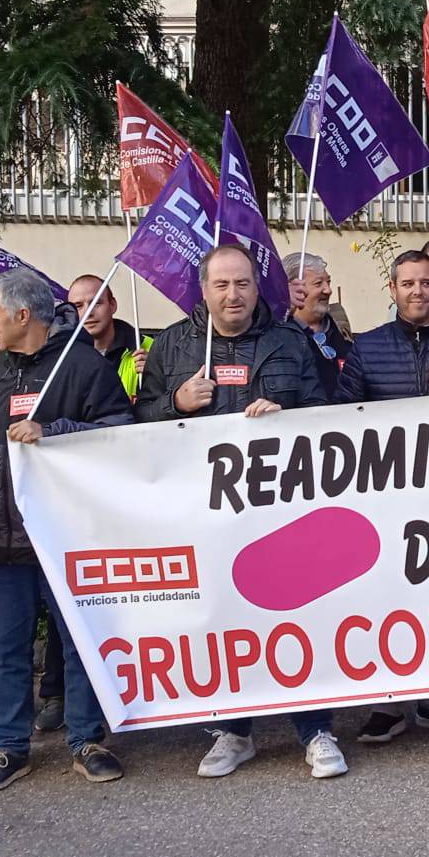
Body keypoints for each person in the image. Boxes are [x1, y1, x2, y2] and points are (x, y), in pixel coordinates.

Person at [137, 244, 345, 780]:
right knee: (223, 620)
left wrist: (287, 416)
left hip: (279, 507)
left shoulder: (287, 342)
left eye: (243, 284)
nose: (233, 295)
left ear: (258, 287)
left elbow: (324, 412)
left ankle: (315, 728)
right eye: (222, 285)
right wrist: (174, 406)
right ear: (204, 291)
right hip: (203, 513)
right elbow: (135, 422)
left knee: (296, 614)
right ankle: (234, 731)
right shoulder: (173, 345)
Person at [0, 269, 134, 794]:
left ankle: (86, 739)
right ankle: (10, 748)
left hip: (67, 533)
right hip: (1, 531)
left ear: (21, 314)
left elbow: (120, 430)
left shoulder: (83, 364)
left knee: (78, 641)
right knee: (7, 646)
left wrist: (53, 432)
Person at [337, 250, 429, 744]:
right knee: (386, 597)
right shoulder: (368, 347)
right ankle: (387, 703)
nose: (418, 291)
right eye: (407, 284)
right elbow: (340, 414)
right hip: (385, 497)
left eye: (426, 282)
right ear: (392, 290)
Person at [67, 273, 150, 399]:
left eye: (96, 303)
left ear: (113, 305)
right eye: (78, 306)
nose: (88, 312)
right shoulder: (61, 357)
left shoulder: (149, 348)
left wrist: (156, 377)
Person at [284, 250, 351, 395]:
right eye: (318, 283)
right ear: (293, 288)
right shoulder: (277, 337)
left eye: (328, 282)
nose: (328, 290)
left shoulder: (341, 330)